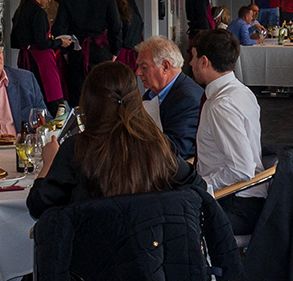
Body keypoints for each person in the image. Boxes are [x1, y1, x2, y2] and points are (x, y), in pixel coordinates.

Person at [28, 61, 199, 218]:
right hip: (150, 245)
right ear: (135, 99)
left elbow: (38, 207)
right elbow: (196, 185)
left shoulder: (76, 150)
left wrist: (48, 164)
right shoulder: (158, 145)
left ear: (89, 102)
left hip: (91, 247)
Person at [189, 29, 269, 229]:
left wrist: (202, 186)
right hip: (238, 195)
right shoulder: (240, 91)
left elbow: (241, 169)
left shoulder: (221, 105)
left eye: (192, 58)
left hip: (235, 201)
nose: (190, 64)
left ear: (204, 61)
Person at [53, 0, 123, 104]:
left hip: (77, 50)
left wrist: (66, 52)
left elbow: (60, 28)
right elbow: (116, 26)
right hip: (101, 50)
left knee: (78, 95)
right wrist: (115, 52)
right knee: (103, 94)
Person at [135, 37, 203, 160]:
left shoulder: (187, 100)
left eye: (144, 67)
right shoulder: (152, 94)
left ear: (165, 66)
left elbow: (175, 150)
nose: (138, 72)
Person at [10, 0, 73, 109]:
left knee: (31, 98)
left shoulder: (21, 9)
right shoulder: (38, 12)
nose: (49, 0)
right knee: (53, 98)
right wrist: (59, 42)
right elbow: (42, 43)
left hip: (25, 57)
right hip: (40, 60)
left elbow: (15, 40)